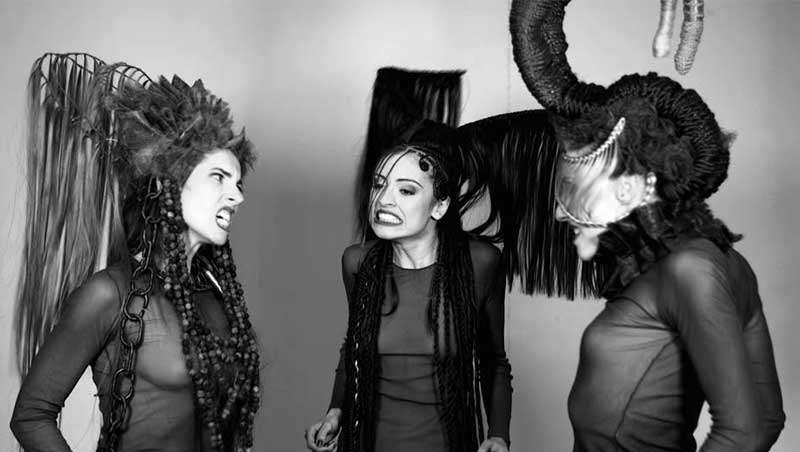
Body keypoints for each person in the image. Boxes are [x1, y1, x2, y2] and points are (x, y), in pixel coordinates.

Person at [497, 1, 786, 450]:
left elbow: (748, 431)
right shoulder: (701, 263)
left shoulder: (690, 269)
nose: (557, 212)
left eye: (571, 186)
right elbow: (766, 418)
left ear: (630, 189)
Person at [10, 53, 260, 452]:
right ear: (165, 184)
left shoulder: (215, 292)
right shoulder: (109, 294)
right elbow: (31, 415)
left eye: (238, 183)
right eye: (218, 177)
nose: (237, 196)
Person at [305, 114, 512, 452]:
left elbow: (494, 362)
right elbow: (354, 347)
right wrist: (334, 412)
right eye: (379, 185)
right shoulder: (357, 263)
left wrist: (499, 434)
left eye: (406, 190)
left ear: (440, 205)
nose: (384, 200)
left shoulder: (480, 264)